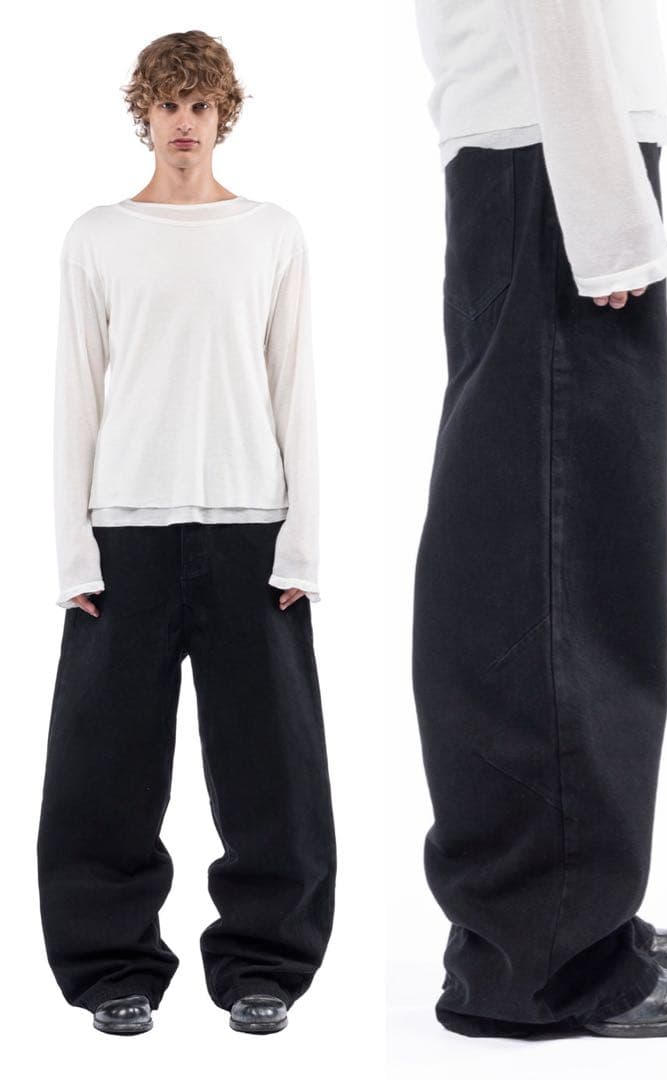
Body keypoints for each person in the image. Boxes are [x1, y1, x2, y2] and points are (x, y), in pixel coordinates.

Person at [411, 0, 667, 1038]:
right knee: (560, 566)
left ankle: (557, 923)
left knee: (552, 545)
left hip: (546, 154)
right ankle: (549, 958)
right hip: (556, 162)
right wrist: (606, 215)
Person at [36, 29, 336, 1036]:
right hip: (123, 532)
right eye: (167, 103)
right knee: (103, 770)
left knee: (272, 769)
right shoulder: (97, 237)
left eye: (200, 104)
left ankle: (264, 966)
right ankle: (111, 968)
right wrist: (72, 551)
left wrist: (305, 543)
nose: (182, 123)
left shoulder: (271, 233)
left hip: (252, 530)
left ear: (223, 114)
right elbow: (74, 396)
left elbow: (296, 388)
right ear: (144, 113)